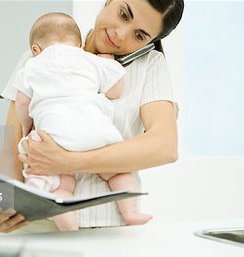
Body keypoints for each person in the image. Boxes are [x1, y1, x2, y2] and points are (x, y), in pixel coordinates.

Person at [0, 0, 184, 233]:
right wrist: (5, 202)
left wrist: (70, 161)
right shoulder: (39, 56)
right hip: (38, 225)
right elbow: (11, 148)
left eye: (139, 35)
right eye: (123, 14)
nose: (120, 34)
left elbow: (165, 146)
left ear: (149, 42)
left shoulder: (150, 66)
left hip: (109, 232)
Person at [14, 12, 152, 230]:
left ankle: (68, 225)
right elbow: (115, 91)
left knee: (62, 186)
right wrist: (106, 64)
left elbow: (21, 103)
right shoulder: (90, 59)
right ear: (78, 45)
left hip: (56, 138)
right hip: (96, 133)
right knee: (118, 172)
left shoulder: (31, 66)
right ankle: (130, 211)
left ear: (35, 50)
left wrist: (26, 124)